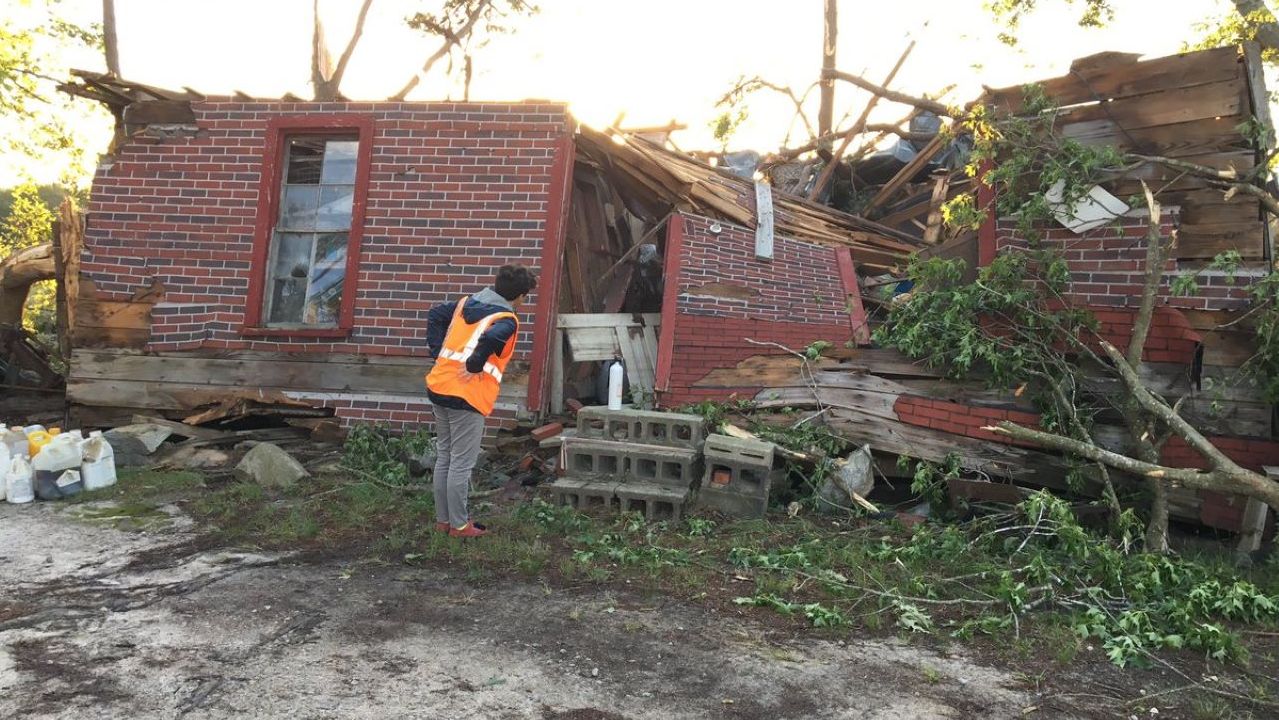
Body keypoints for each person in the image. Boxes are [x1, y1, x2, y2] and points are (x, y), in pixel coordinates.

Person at [425, 264, 537, 538]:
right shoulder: (506, 319)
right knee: (461, 463)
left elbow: (436, 314)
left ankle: (444, 521)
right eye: (526, 297)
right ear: (519, 296)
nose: (524, 302)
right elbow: (493, 337)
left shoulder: (466, 303)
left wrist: (437, 351)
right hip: (467, 396)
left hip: (439, 385)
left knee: (445, 457)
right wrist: (475, 364)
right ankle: (460, 526)